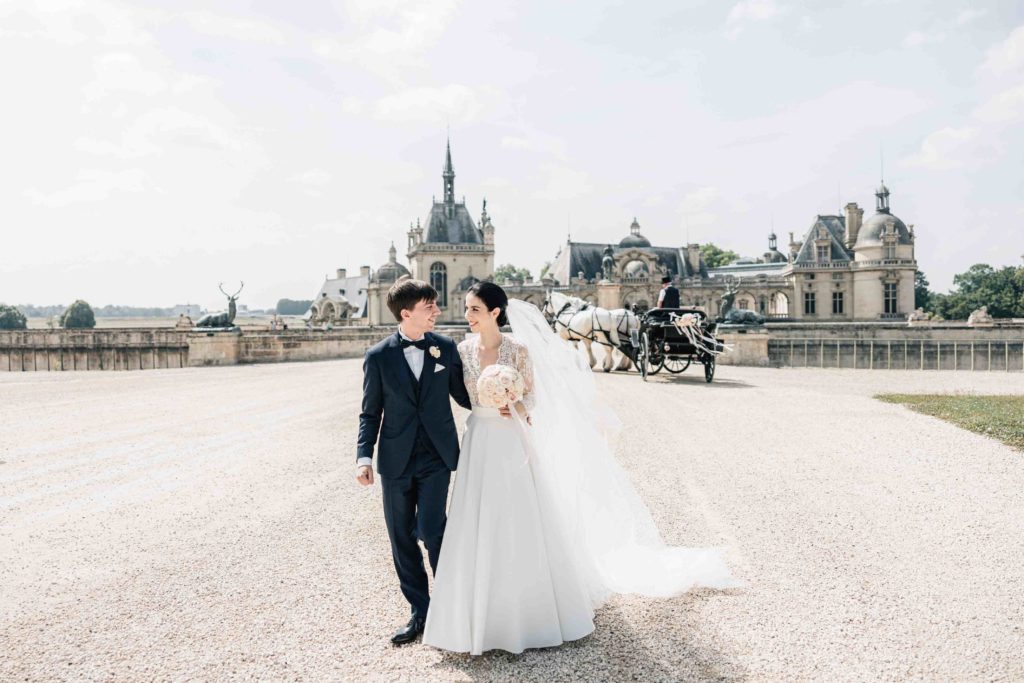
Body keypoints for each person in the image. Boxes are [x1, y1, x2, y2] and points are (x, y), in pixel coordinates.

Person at [423, 282, 739, 656]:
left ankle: (529, 612)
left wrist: (516, 405)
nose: (467, 315)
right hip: (479, 440)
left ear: (494, 312)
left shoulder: (518, 349)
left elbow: (533, 397)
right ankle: (477, 615)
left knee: (519, 519)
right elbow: (459, 395)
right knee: (477, 520)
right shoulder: (460, 351)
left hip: (510, 439)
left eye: (474, 309)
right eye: (466, 309)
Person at [355, 278, 472, 645]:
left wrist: (503, 402)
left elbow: (464, 395)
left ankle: (452, 605)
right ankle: (421, 612)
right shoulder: (377, 357)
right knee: (401, 536)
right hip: (395, 460)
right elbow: (369, 413)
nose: (437, 311)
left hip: (437, 456)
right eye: (429, 307)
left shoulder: (446, 348)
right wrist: (363, 456)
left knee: (434, 530)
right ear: (406, 313)